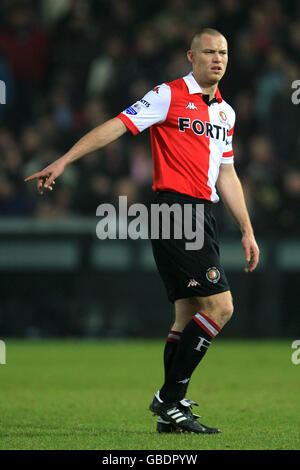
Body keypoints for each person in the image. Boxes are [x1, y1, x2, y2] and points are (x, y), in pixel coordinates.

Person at [25, 28, 260, 434]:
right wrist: (64, 160)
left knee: (187, 315)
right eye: (209, 52)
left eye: (223, 52)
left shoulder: (225, 112)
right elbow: (117, 126)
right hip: (176, 211)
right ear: (191, 56)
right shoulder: (168, 95)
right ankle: (170, 399)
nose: (218, 59)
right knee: (221, 308)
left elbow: (228, 174)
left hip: (203, 214)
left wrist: (247, 229)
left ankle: (173, 410)